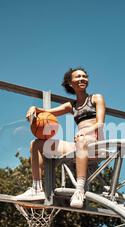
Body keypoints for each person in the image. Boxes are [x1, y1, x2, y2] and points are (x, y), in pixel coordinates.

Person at [16, 67, 106, 208]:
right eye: (78, 77)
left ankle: (80, 190)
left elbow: (100, 123)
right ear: (71, 83)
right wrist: (34, 108)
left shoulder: (96, 98)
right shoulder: (72, 105)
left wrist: (86, 131)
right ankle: (36, 188)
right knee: (37, 144)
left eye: (84, 76)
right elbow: (47, 112)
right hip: (79, 144)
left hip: (96, 143)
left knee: (81, 139)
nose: (82, 78)